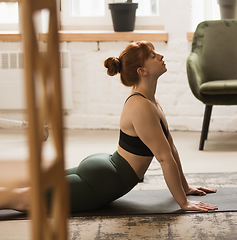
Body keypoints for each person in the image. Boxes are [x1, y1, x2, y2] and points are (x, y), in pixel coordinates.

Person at [0, 41, 218, 213]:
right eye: (153, 55)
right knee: (23, 199)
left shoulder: (149, 101)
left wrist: (185, 188)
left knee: (30, 187)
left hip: (104, 170)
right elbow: (164, 158)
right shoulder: (142, 106)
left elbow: (170, 148)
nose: (160, 56)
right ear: (142, 70)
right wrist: (183, 203)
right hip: (102, 182)